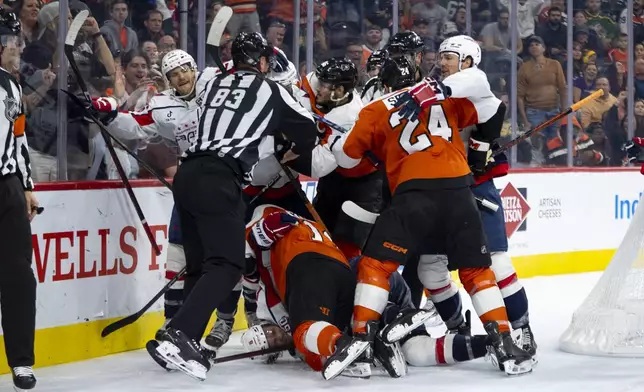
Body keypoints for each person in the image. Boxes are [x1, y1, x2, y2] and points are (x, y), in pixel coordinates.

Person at [328, 35, 532, 378]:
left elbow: (346, 159)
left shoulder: (376, 109)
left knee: (376, 265)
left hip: (414, 195)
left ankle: (362, 338)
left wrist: (363, 145)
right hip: (459, 192)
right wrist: (480, 145)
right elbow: (493, 107)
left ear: (385, 83)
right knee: (476, 270)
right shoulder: (447, 98)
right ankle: (504, 341)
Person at [151, 32, 319, 381]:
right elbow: (308, 130)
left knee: (199, 265)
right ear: (261, 63)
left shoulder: (212, 85)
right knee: (227, 265)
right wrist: (289, 147)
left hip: (186, 175)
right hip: (219, 178)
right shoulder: (270, 90)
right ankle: (179, 337)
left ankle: (180, 336)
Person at [394, 34, 537, 362]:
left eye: (449, 56)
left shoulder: (472, 83)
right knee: (429, 269)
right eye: (441, 55)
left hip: (475, 190)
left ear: (468, 61)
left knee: (497, 264)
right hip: (439, 191)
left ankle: (521, 327)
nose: (441, 61)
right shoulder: (432, 87)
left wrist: (482, 147)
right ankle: (456, 325)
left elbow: (476, 85)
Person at [297, 57, 382, 260]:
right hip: (334, 178)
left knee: (348, 250)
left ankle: (350, 289)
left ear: (340, 92)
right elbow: (298, 97)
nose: (318, 87)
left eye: (325, 85)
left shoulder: (350, 117)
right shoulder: (315, 84)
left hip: (364, 186)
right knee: (317, 238)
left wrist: (284, 152)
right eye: (321, 81)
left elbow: (317, 166)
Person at [0, 9, 39, 391]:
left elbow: (19, 138)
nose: (19, 49)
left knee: (19, 279)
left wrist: (27, 185)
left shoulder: (12, 86)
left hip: (8, 188)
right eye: (15, 43)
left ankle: (21, 362)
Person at [361, 31, 425, 104]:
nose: (397, 62)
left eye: (402, 56)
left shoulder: (428, 89)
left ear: (418, 57)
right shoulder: (375, 84)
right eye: (392, 56)